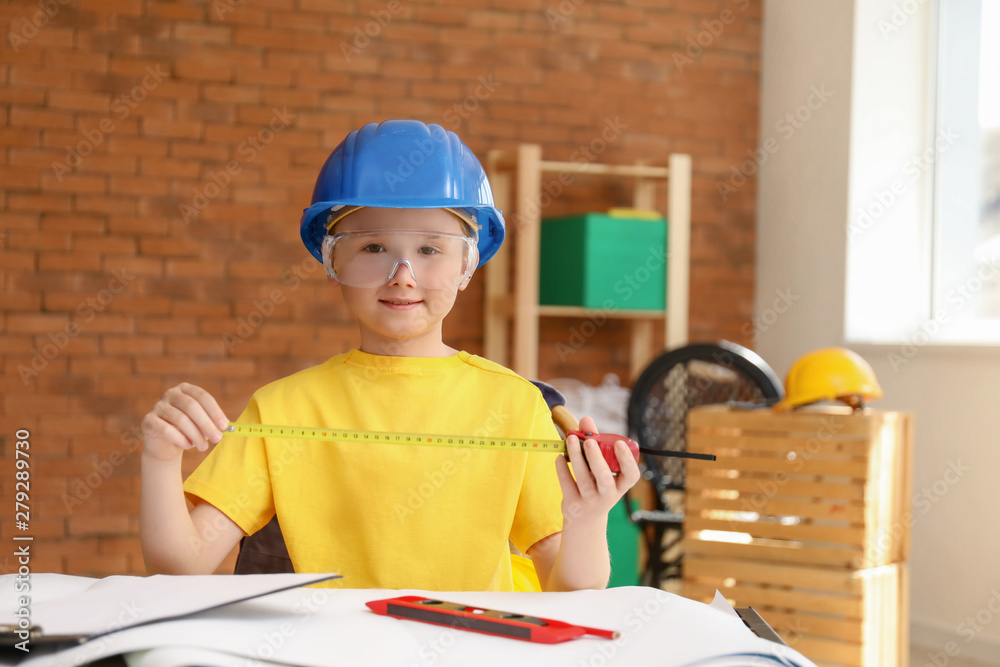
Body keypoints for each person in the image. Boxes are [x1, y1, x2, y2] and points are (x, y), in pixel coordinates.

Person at [139, 120, 641, 591]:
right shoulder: (282, 410)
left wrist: (588, 516)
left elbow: (570, 589)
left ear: (466, 266)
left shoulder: (514, 404)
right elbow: (181, 566)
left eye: (430, 250)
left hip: (471, 644)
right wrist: (161, 458)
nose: (402, 276)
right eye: (373, 247)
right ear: (332, 261)